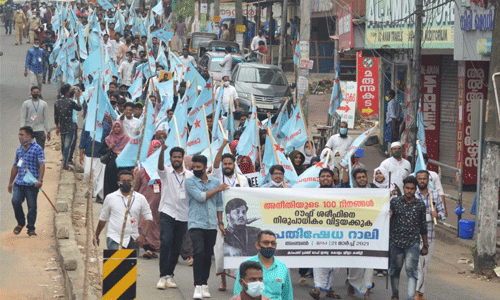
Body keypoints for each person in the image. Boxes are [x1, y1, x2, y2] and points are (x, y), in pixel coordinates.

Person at [185, 155, 228, 299]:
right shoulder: (190, 182)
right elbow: (201, 197)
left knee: (208, 255)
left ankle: (204, 284)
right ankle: (197, 286)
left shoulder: (215, 182)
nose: (196, 169)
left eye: (199, 167)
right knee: (199, 253)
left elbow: (219, 204)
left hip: (211, 225)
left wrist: (220, 222)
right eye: (194, 167)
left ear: (205, 166)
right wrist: (218, 189)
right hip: (196, 223)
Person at [212, 140, 250, 290]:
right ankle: (223, 281)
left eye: (229, 164)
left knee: (238, 251)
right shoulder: (217, 178)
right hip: (220, 219)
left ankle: (239, 282)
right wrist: (222, 147)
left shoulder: (243, 180)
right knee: (221, 252)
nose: (226, 166)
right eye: (224, 164)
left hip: (238, 221)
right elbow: (215, 164)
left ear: (234, 165)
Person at [155, 145, 194, 290]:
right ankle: (162, 275)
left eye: (179, 157)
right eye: (174, 157)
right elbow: (159, 166)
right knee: (166, 241)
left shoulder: (189, 175)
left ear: (182, 158)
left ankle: (169, 275)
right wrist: (162, 150)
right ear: (170, 159)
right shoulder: (166, 172)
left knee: (176, 246)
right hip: (167, 212)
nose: (176, 159)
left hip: (183, 215)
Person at [309, 168, 348, 299]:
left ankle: (329, 288)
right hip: (318, 233)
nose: (325, 178)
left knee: (334, 263)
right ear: (319, 179)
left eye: (328, 176)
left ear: (333, 178)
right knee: (318, 260)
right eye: (323, 176)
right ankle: (318, 288)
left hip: (337, 233)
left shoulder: (340, 193)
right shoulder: (312, 194)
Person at [389, 176, 429, 300]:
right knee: (395, 271)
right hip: (396, 243)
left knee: (411, 272)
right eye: (407, 188)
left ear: (415, 189)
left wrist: (425, 245)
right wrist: (388, 215)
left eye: (412, 188)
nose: (409, 191)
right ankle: (395, 294)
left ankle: (410, 297)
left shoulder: (420, 205)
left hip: (413, 244)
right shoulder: (394, 202)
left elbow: (423, 226)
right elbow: (386, 220)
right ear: (403, 188)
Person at [95, 170, 153, 250]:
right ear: (118, 182)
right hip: (114, 238)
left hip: (133, 239)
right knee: (115, 262)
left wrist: (143, 235)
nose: (126, 183)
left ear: (133, 182)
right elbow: (103, 218)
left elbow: (148, 217)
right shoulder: (110, 198)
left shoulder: (140, 198)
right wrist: (96, 235)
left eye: (129, 181)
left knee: (129, 262)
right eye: (124, 181)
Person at [234, 230, 293, 300]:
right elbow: (238, 292)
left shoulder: (282, 267)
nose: (270, 246)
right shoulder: (247, 264)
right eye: (266, 243)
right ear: (257, 245)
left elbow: (287, 294)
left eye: (273, 243)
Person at [8, 126, 45, 237]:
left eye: (22, 135)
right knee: (15, 201)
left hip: (32, 184)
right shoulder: (19, 150)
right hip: (19, 183)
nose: (20, 137)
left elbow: (42, 164)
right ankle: (21, 222)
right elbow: (16, 166)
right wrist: (10, 182)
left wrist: (40, 180)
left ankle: (31, 228)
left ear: (28, 136)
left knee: (32, 206)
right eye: (19, 135)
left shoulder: (37, 149)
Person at [415, 170, 446, 300]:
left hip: (429, 236)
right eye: (420, 179)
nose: (422, 181)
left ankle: (419, 293)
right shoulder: (413, 195)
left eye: (425, 179)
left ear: (429, 181)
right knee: (417, 265)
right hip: (414, 236)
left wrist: (437, 215)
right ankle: (417, 292)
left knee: (424, 265)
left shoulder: (434, 195)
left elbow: (443, 214)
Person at [79, 120, 111, 203]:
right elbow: (83, 138)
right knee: (87, 173)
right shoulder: (88, 124)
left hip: (101, 156)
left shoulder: (106, 126)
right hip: (89, 154)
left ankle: (99, 195)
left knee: (99, 177)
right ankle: (91, 190)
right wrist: (81, 154)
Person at [54, 84, 82, 170]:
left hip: (62, 127)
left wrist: (57, 127)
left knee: (64, 145)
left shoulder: (57, 102)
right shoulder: (70, 102)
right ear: (67, 92)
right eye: (70, 90)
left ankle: (64, 162)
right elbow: (79, 108)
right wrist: (77, 98)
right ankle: (65, 165)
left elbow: (56, 116)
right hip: (69, 127)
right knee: (67, 146)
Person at [102, 121, 130, 198]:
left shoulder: (126, 139)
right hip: (111, 166)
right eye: (115, 127)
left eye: (118, 127)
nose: (116, 129)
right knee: (109, 185)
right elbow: (101, 151)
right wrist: (109, 148)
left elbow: (129, 152)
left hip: (122, 166)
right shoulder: (108, 138)